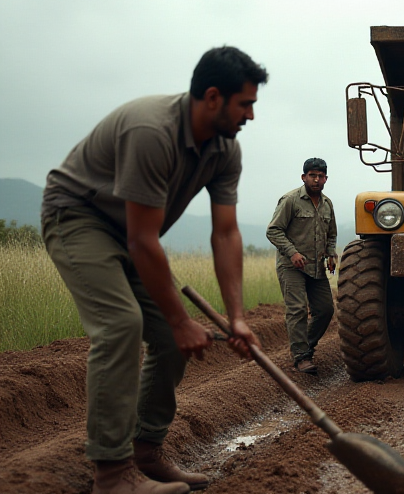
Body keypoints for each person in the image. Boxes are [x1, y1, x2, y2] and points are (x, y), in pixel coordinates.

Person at [41, 46, 268, 494]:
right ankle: (111, 475)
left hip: (130, 232)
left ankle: (145, 453)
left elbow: (225, 234)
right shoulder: (152, 130)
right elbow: (142, 240)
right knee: (121, 325)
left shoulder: (226, 150)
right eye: (246, 104)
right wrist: (182, 319)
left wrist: (237, 316)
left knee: (167, 339)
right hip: (79, 217)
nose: (251, 116)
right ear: (212, 97)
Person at [266, 158, 338, 375]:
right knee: (296, 310)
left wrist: (331, 253)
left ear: (326, 178)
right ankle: (301, 357)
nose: (316, 180)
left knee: (325, 310)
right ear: (304, 177)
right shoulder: (290, 200)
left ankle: (306, 346)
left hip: (316, 268)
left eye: (320, 176)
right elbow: (273, 231)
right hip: (291, 267)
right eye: (312, 175)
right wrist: (292, 252)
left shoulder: (327, 204)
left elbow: (331, 234)